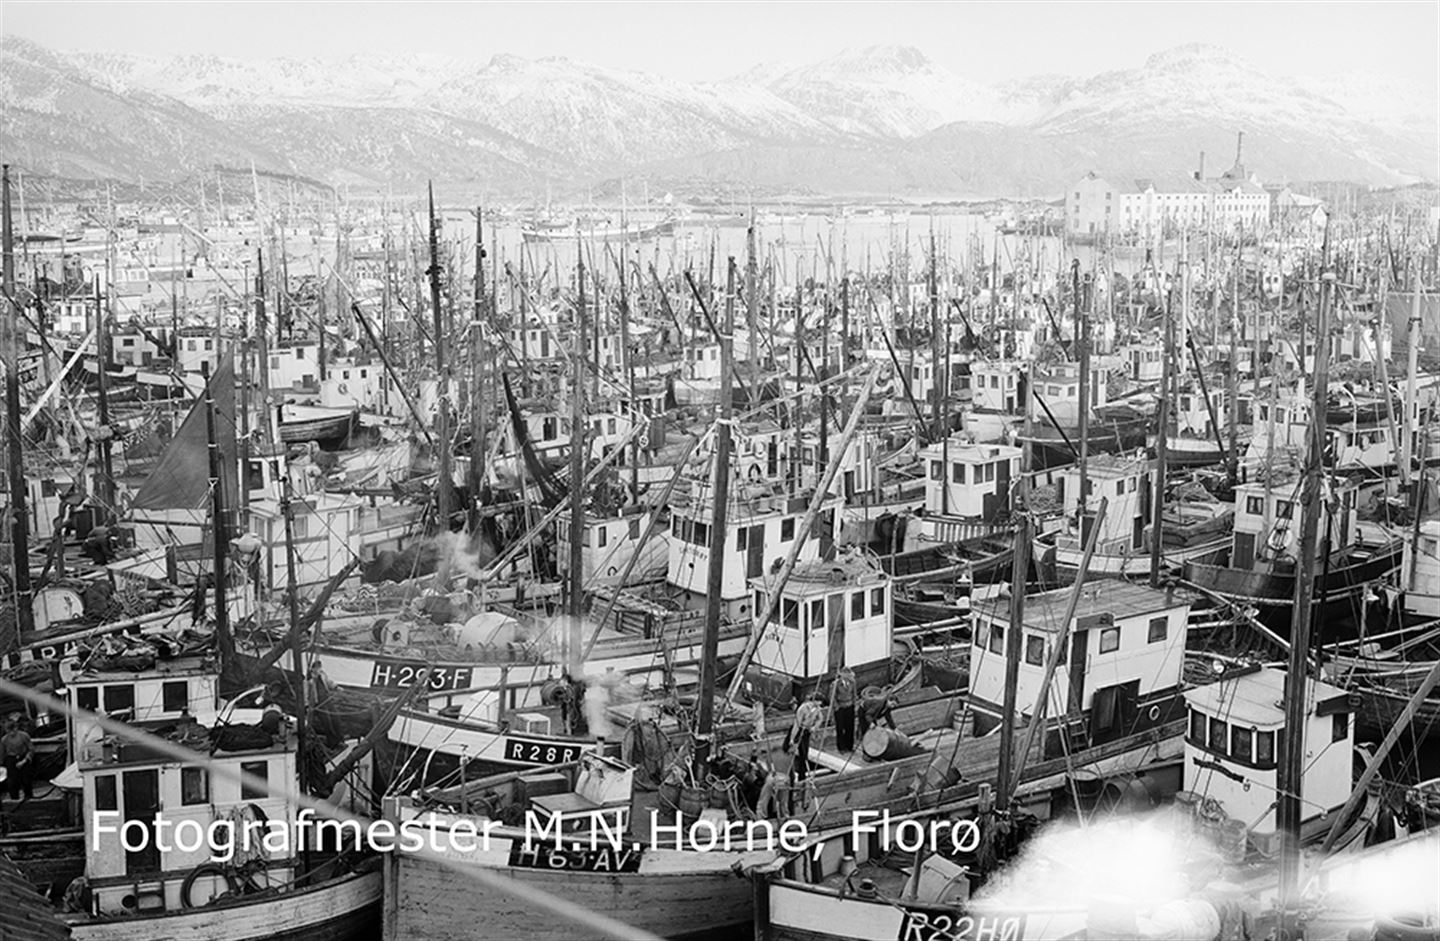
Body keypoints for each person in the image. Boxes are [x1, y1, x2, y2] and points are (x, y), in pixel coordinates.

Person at [785, 693, 825, 782]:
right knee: (790, 750)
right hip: (798, 730)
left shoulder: (817, 709)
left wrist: (814, 727)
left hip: (807, 731)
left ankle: (801, 776)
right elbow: (797, 724)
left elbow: (820, 718)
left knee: (804, 753)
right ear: (815, 701)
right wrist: (792, 738)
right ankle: (788, 773)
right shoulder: (803, 708)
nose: (820, 704)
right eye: (819, 702)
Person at [2, 715, 35, 802]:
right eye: (8, 731)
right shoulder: (4, 740)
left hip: (24, 758)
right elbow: (2, 754)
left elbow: (31, 750)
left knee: (26, 780)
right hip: (11, 760)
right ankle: (14, 800)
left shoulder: (24, 736)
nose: (11, 733)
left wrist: (24, 760)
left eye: (12, 730)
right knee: (12, 782)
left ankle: (29, 798)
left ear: (16, 728)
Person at [829, 667, 858, 753]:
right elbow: (832, 696)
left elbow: (854, 694)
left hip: (850, 706)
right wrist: (836, 707)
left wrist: (854, 704)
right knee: (840, 728)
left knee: (850, 727)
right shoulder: (835, 684)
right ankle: (841, 747)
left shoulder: (852, 683)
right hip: (840, 707)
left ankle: (849, 746)